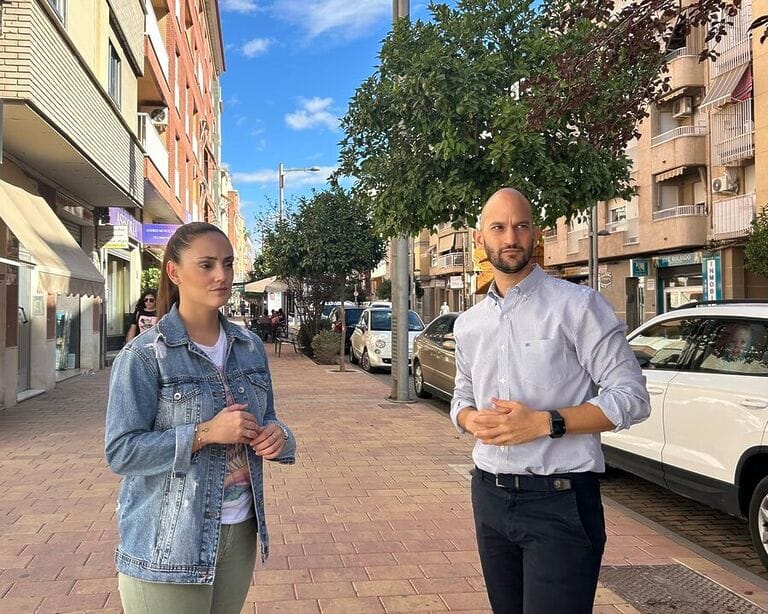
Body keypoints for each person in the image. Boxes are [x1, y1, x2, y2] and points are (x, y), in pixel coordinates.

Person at [450, 188, 650, 614]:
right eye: (498, 227)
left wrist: (546, 423)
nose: (511, 237)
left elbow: (631, 397)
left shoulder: (578, 306)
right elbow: (462, 393)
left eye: (521, 226)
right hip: (489, 495)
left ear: (535, 233)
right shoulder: (469, 324)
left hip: (560, 501)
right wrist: (468, 419)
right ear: (479, 238)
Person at [105, 222, 296, 614]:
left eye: (227, 264)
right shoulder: (144, 356)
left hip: (240, 531)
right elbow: (121, 452)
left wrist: (280, 437)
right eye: (206, 265)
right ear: (174, 273)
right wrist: (205, 433)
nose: (221, 276)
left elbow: (270, 419)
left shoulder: (249, 347)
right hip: (169, 540)